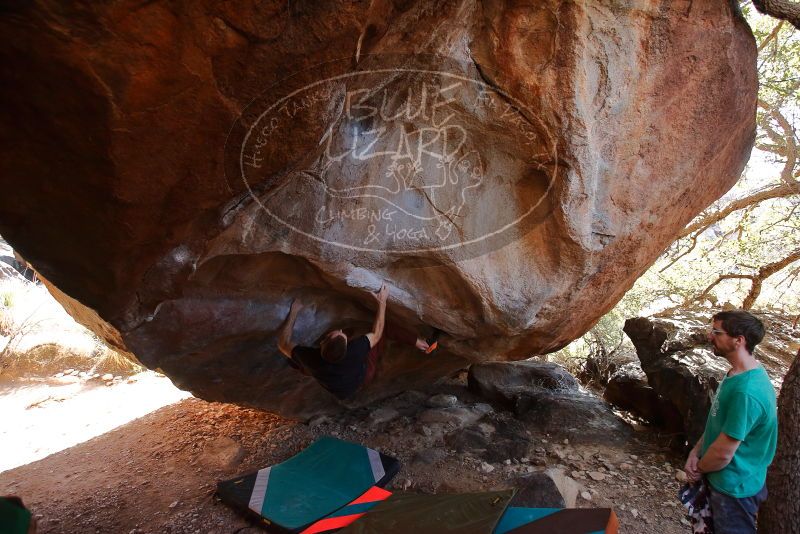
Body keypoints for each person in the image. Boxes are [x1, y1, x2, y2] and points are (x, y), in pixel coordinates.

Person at [683, 310, 777, 533]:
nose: (710, 336)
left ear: (739, 340)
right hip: (724, 479)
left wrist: (699, 469)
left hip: (735, 489)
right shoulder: (737, 373)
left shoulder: (747, 391)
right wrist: (695, 453)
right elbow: (718, 422)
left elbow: (724, 453)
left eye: (717, 332)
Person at [277, 283, 437, 400]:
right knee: (384, 329)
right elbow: (378, 331)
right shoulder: (356, 351)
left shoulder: (311, 358)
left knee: (295, 360)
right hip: (361, 378)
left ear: (321, 345)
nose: (340, 330)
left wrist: (294, 312)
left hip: (334, 386)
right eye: (341, 334)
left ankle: (300, 365)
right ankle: (420, 343)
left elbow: (283, 343)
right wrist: (382, 303)